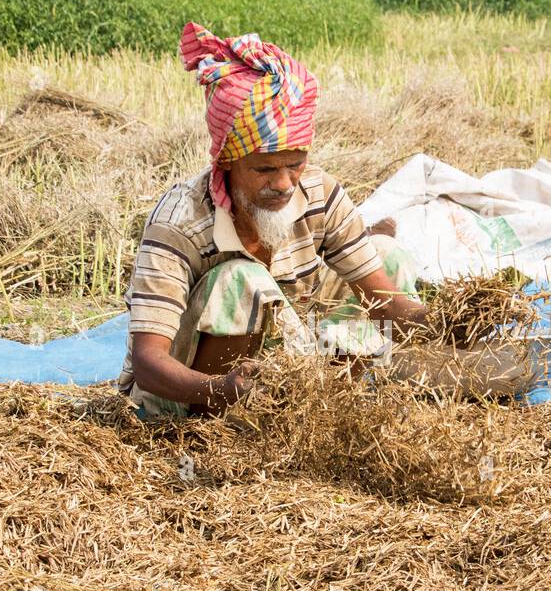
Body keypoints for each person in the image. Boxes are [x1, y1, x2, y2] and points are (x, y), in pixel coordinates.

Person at [117, 22, 427, 418]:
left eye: (295, 164)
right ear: (227, 162)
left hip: (285, 372)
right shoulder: (180, 223)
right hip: (187, 399)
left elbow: (387, 305)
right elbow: (147, 362)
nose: (283, 184)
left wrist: (448, 321)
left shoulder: (320, 195)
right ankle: (216, 426)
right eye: (264, 169)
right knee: (241, 280)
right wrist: (220, 389)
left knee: (388, 254)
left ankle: (322, 414)